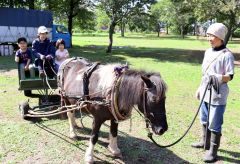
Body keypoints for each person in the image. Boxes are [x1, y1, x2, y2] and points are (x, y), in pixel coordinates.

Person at [193, 23, 234, 163]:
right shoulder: (207, 52)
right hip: (205, 92)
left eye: (212, 36)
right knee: (204, 119)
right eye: (209, 35)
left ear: (220, 37)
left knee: (214, 123)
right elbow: (204, 74)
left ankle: (212, 152)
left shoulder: (227, 55)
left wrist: (217, 77)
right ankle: (205, 142)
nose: (209, 38)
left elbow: (229, 76)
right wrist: (200, 87)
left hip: (218, 95)